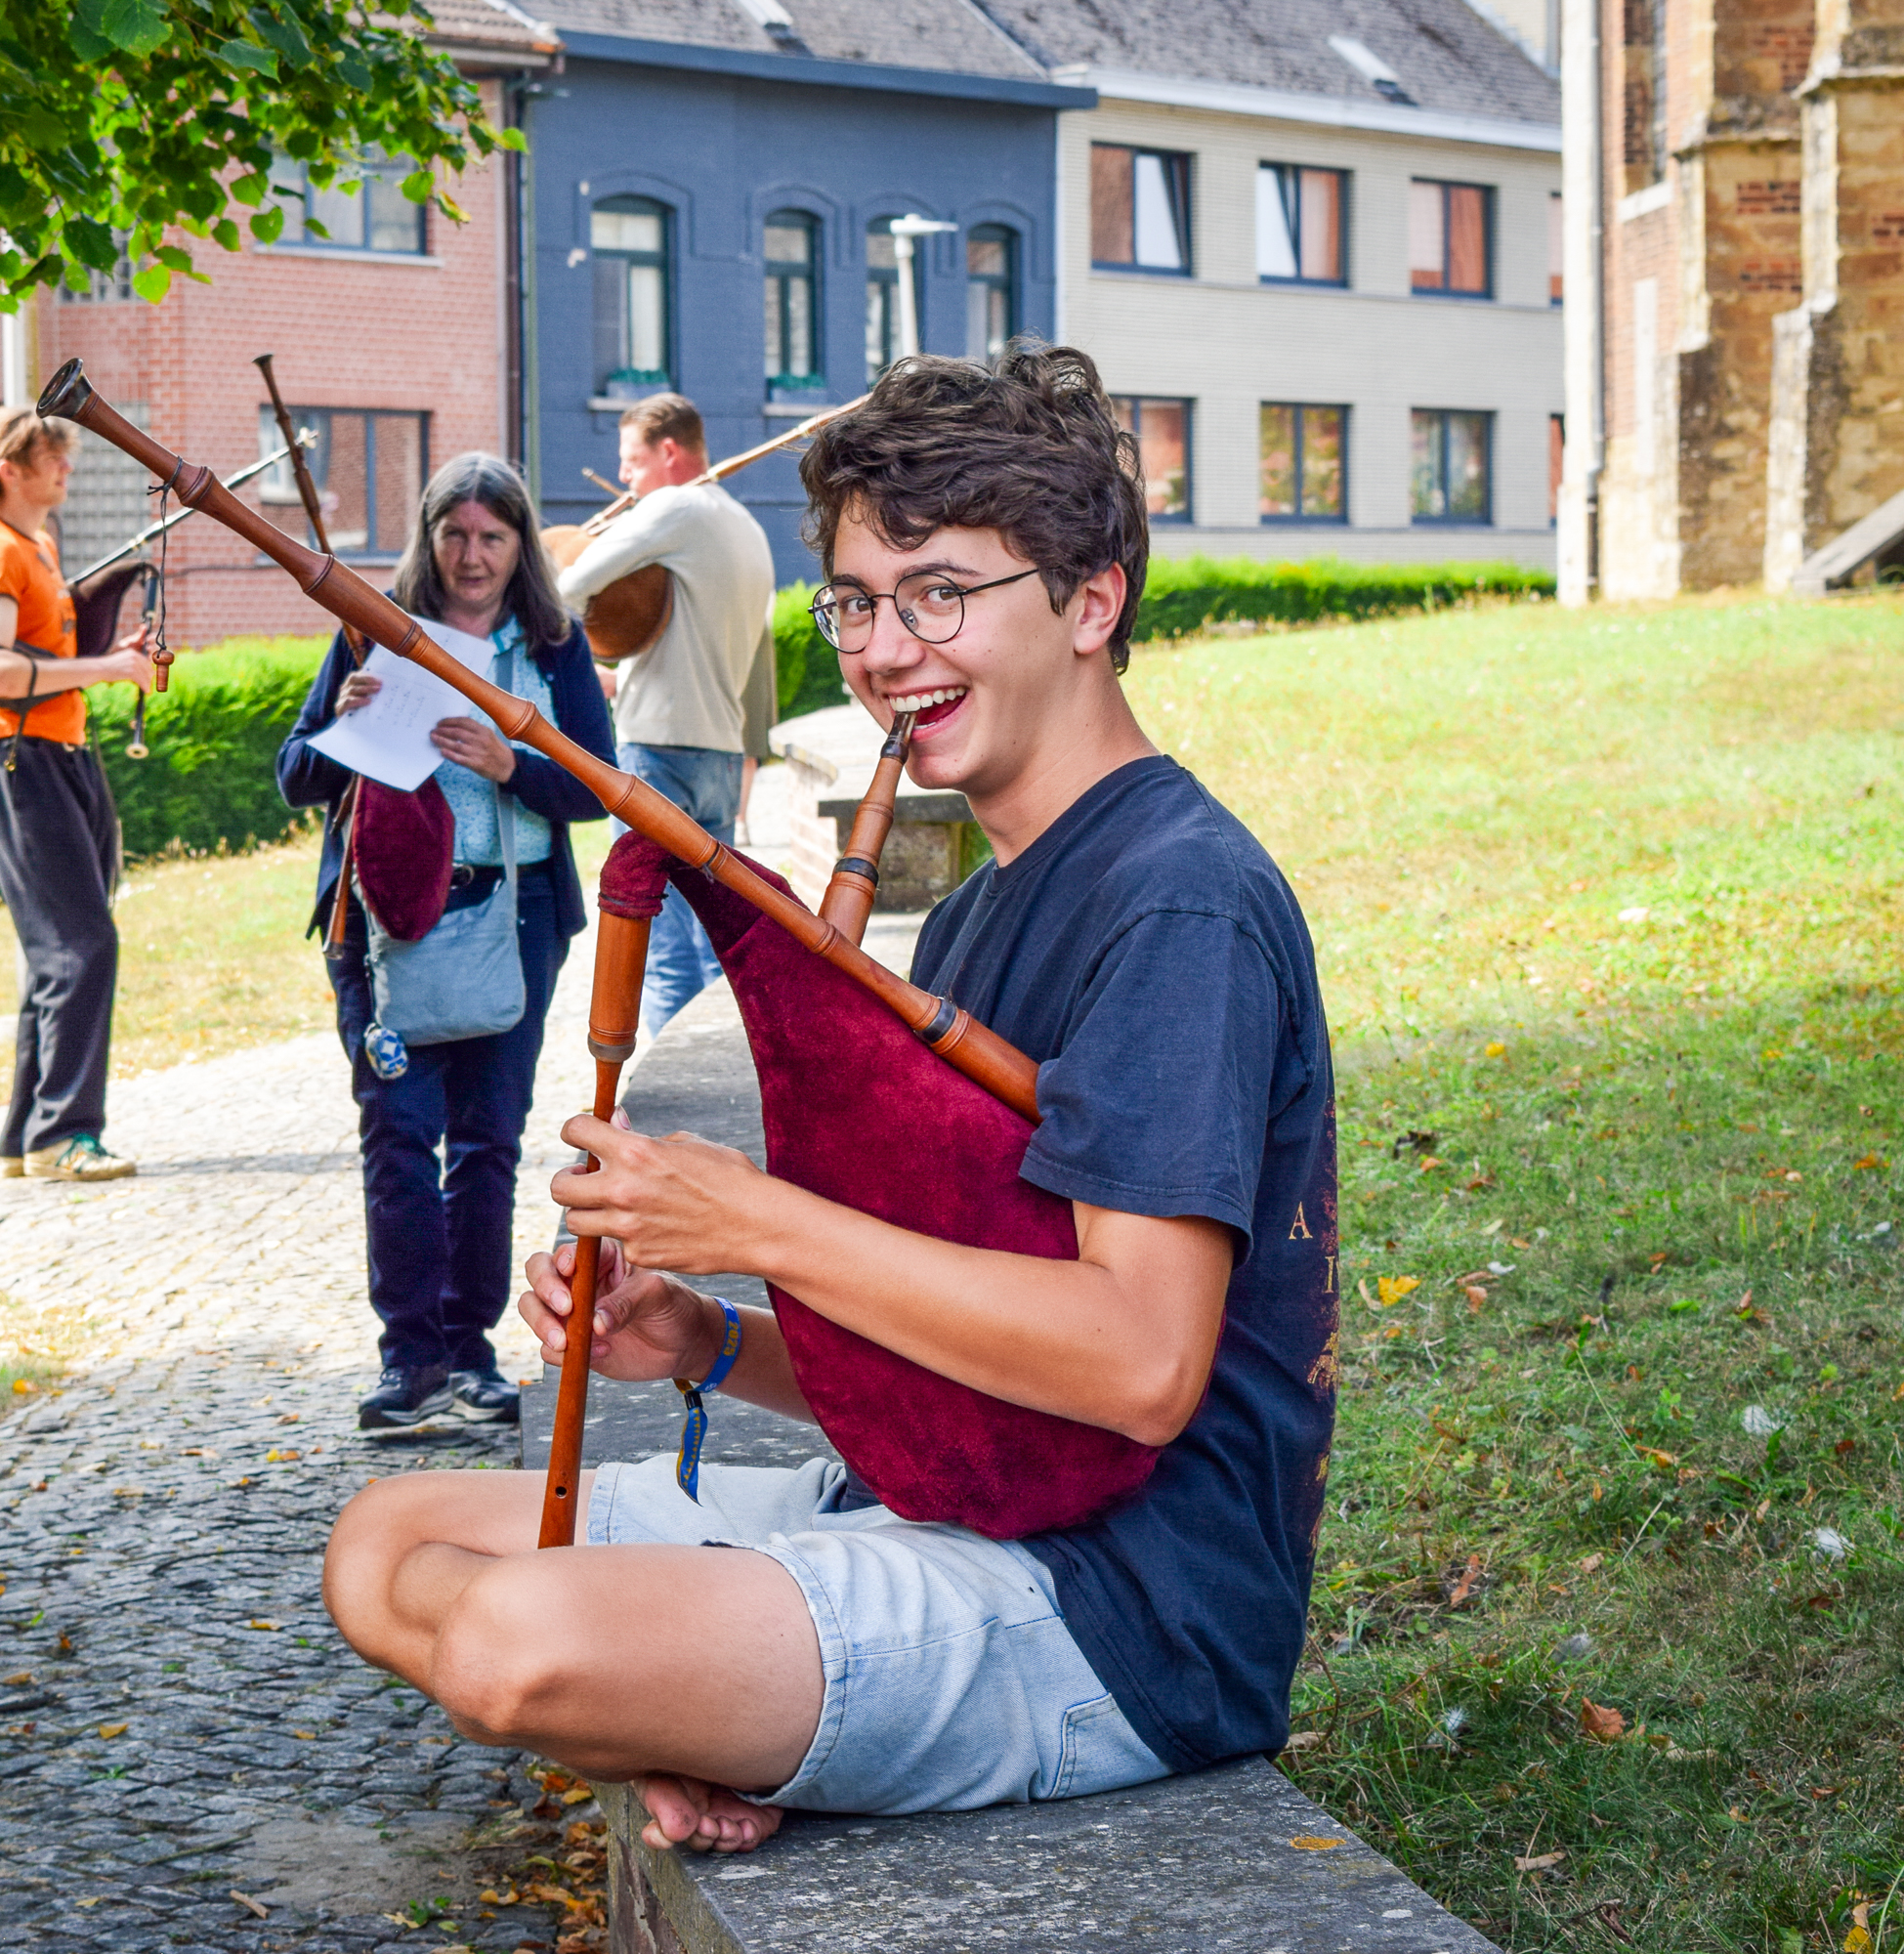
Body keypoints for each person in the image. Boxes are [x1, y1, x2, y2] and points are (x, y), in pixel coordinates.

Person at [320, 348, 1337, 1853]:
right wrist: (710, 1341)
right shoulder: (983, 916)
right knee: (378, 1538)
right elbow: (959, 1353)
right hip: (954, 1512)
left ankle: (717, 1707)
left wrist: (760, 1223)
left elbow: (1133, 1363)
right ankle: (710, 1706)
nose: (880, 650)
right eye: (856, 602)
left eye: (939, 592)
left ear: (1091, 601)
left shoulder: (1175, 905)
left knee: (512, 1639)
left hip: (1119, 1619)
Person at [277, 454, 613, 1435]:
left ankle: (470, 1352)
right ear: (429, 538)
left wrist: (516, 763)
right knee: (395, 1134)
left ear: (520, 548)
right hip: (382, 922)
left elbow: (597, 787)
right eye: (454, 534)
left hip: (515, 919)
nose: (471, 556)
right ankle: (408, 1360)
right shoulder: (376, 633)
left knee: (487, 1141)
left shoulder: (553, 647)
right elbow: (294, 775)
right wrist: (337, 729)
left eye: (492, 537)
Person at [0, 404, 158, 1183]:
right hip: (19, 760)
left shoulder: (38, 548)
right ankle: (64, 1135)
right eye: (51, 457)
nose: (66, 468)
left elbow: (40, 659)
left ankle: (27, 1137)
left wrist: (110, 653)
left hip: (60, 755)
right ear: (9, 470)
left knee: (61, 952)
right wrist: (107, 670)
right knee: (82, 946)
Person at [553, 395, 779, 1035]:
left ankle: (666, 1111)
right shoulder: (745, 527)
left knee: (660, 947)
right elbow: (695, 648)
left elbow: (570, 585)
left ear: (668, 452)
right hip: (719, 754)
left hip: (657, 754)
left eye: (631, 461)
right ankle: (725, 1080)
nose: (625, 477)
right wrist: (620, 677)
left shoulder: (674, 507)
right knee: (713, 944)